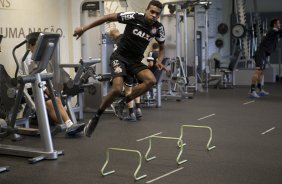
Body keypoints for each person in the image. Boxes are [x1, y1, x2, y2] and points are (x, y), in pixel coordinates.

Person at [73, 0, 165, 137]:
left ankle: (122, 102)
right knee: (116, 88)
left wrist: (159, 60)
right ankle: (96, 117)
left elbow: (162, 46)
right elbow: (108, 17)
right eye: (151, 12)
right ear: (146, 10)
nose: (153, 15)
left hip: (135, 61)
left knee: (151, 80)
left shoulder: (158, 28)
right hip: (119, 57)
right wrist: (84, 28)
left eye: (157, 14)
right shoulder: (134, 16)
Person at [22, 35, 85, 136]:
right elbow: (32, 78)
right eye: (37, 46)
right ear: (30, 46)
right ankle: (68, 124)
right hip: (30, 89)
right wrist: (47, 90)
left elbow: (44, 77)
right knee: (51, 103)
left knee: (58, 100)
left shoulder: (40, 58)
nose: (39, 49)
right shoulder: (28, 59)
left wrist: (50, 90)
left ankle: (69, 124)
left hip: (40, 86)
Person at [108, 28, 142, 122]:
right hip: (136, 66)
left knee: (128, 92)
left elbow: (116, 59)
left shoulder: (117, 43)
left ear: (112, 35)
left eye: (111, 37)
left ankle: (131, 114)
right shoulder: (129, 37)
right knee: (136, 88)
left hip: (127, 68)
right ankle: (138, 110)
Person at [249, 18, 282, 98]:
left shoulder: (275, 33)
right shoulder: (272, 30)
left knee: (261, 73)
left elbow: (280, 34)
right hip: (261, 53)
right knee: (258, 72)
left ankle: (259, 89)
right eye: (278, 23)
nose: (280, 24)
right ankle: (252, 90)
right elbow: (280, 31)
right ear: (274, 25)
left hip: (264, 54)